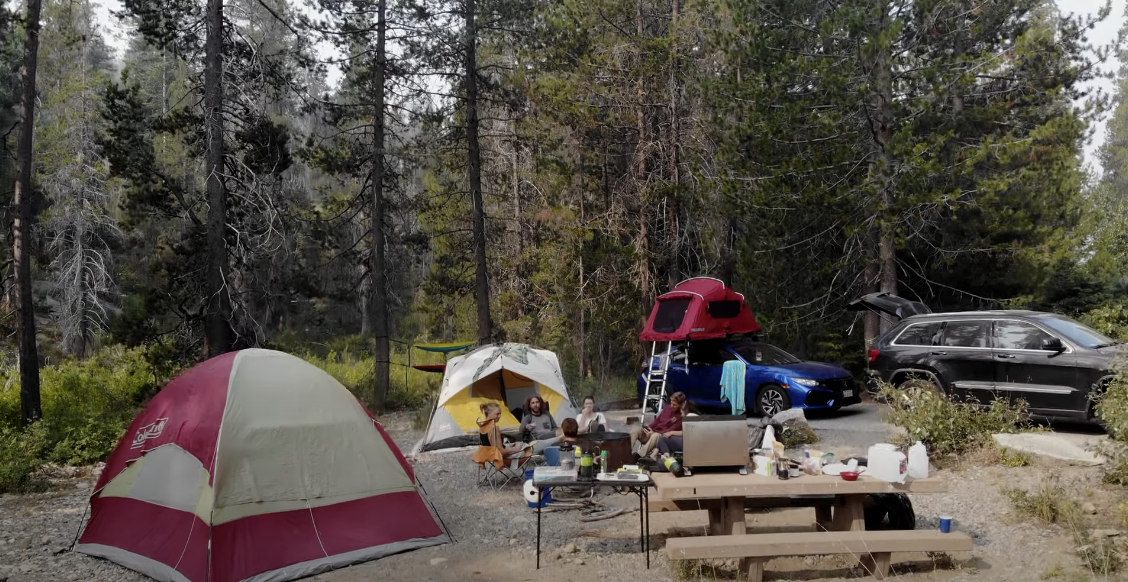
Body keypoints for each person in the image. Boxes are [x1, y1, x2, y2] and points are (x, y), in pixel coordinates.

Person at [630, 392, 686, 459]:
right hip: (652, 433)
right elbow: (657, 421)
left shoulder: (681, 416)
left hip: (660, 438)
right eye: (671, 403)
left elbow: (668, 432)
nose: (671, 406)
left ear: (681, 405)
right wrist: (648, 429)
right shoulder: (667, 408)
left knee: (656, 435)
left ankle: (639, 456)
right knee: (636, 429)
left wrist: (654, 433)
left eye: (674, 405)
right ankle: (626, 453)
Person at [473, 402, 529, 469]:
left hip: (485, 455)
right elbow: (500, 452)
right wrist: (515, 449)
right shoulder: (494, 428)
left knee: (517, 444)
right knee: (524, 451)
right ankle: (512, 466)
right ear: (489, 413)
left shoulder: (482, 427)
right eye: (497, 414)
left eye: (500, 414)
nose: (500, 416)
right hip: (496, 457)